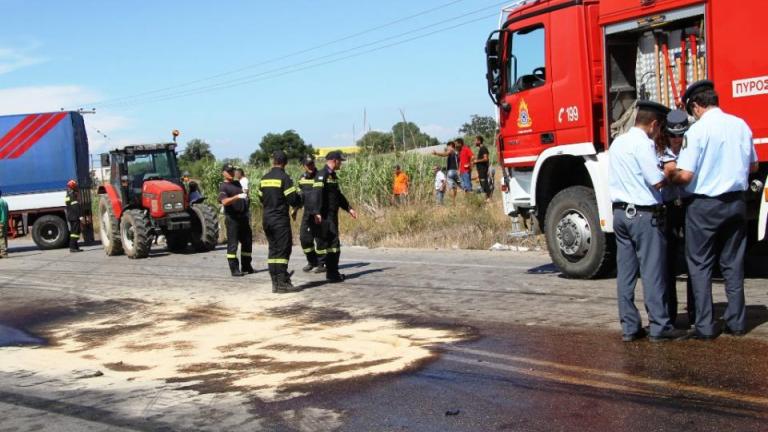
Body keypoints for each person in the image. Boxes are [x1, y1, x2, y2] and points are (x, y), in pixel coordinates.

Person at [666, 80, 759, 339]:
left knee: (700, 265)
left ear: (696, 106)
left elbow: (686, 176)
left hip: (704, 206)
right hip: (736, 203)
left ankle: (705, 326)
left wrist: (670, 174)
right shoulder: (741, 125)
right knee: (733, 264)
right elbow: (752, 167)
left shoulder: (696, 132)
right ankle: (738, 323)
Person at [609, 100, 686, 343]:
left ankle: (630, 327)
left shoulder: (618, 142)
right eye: (659, 127)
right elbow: (657, 180)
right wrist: (671, 172)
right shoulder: (643, 144)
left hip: (620, 214)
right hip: (644, 216)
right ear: (653, 124)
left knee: (626, 274)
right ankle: (660, 326)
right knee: (652, 272)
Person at [659, 110, 695, 327]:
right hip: (669, 208)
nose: (677, 140)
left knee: (694, 261)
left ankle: (695, 312)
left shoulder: (692, 150)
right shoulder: (659, 152)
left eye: (681, 136)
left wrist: (672, 175)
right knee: (668, 262)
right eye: (673, 136)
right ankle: (670, 313)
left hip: (690, 206)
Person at [305, 151, 358, 283]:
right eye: (340, 161)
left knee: (332, 245)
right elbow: (316, 194)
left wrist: (349, 208)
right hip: (325, 216)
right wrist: (316, 212)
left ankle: (332, 272)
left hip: (332, 216)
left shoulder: (332, 176)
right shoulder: (322, 175)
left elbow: (338, 195)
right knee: (334, 245)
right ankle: (332, 274)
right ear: (334, 160)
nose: (341, 163)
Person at [258, 151, 303, 293]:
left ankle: (276, 283)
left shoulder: (264, 179)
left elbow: (260, 197)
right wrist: (300, 198)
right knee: (283, 250)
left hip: (267, 219)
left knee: (273, 250)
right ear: (285, 163)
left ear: (273, 161)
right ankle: (282, 282)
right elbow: (293, 200)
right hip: (279, 220)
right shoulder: (284, 178)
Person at [218, 164, 254, 277]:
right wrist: (237, 197)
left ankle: (246, 266)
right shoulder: (223, 186)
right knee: (233, 245)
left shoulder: (237, 183)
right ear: (223, 173)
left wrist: (245, 198)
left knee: (247, 242)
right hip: (232, 219)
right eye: (229, 171)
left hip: (243, 217)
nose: (231, 173)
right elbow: (224, 201)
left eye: (232, 171)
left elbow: (243, 196)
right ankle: (234, 269)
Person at [296, 154, 325, 273]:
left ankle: (322, 264)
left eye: (312, 164)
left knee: (320, 239)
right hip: (307, 213)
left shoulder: (320, 176)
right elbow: (300, 195)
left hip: (319, 212)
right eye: (308, 165)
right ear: (304, 166)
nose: (311, 166)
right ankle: (312, 261)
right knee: (304, 238)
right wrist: (295, 208)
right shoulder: (302, 178)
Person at [65, 179, 84, 252]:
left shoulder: (68, 194)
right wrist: (80, 216)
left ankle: (75, 247)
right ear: (73, 187)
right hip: (74, 216)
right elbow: (75, 206)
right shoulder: (72, 195)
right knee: (75, 232)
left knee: (74, 231)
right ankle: (73, 247)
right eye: (75, 186)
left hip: (71, 216)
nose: (76, 187)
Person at [473, 136, 492, 201]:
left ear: (479, 141)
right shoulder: (481, 149)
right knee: (483, 184)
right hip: (481, 170)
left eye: (475, 141)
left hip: (483, 170)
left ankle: (489, 199)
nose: (474, 142)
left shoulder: (483, 148)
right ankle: (487, 198)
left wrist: (477, 161)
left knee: (485, 184)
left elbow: (486, 159)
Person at [0, 189, 8, 258]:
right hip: (4, 222)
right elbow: (6, 213)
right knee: (4, 237)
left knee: (1, 238)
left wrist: (1, 222)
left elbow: (2, 213)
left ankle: (3, 253)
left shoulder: (0, 202)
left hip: (1, 222)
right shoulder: (4, 202)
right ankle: (4, 251)